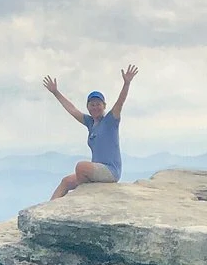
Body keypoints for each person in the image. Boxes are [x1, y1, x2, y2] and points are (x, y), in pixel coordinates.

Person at [42, 65, 136, 199]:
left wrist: (127, 83)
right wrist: (56, 92)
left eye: (98, 104)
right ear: (88, 107)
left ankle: (82, 195)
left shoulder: (110, 121)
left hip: (110, 171)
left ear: (104, 106)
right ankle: (48, 210)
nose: (95, 107)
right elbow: (72, 109)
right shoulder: (90, 123)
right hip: (96, 171)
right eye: (92, 104)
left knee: (81, 167)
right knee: (66, 181)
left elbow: (120, 103)